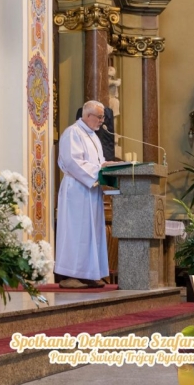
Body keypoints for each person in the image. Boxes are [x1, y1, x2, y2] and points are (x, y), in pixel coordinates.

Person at [55, 100, 110, 288]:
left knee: (91, 232)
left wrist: (106, 167)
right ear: (87, 115)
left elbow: (96, 162)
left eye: (103, 117)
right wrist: (98, 171)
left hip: (91, 189)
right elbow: (73, 162)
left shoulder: (92, 136)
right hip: (77, 189)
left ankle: (88, 273)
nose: (102, 121)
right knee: (76, 231)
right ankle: (70, 275)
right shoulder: (73, 133)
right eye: (99, 117)